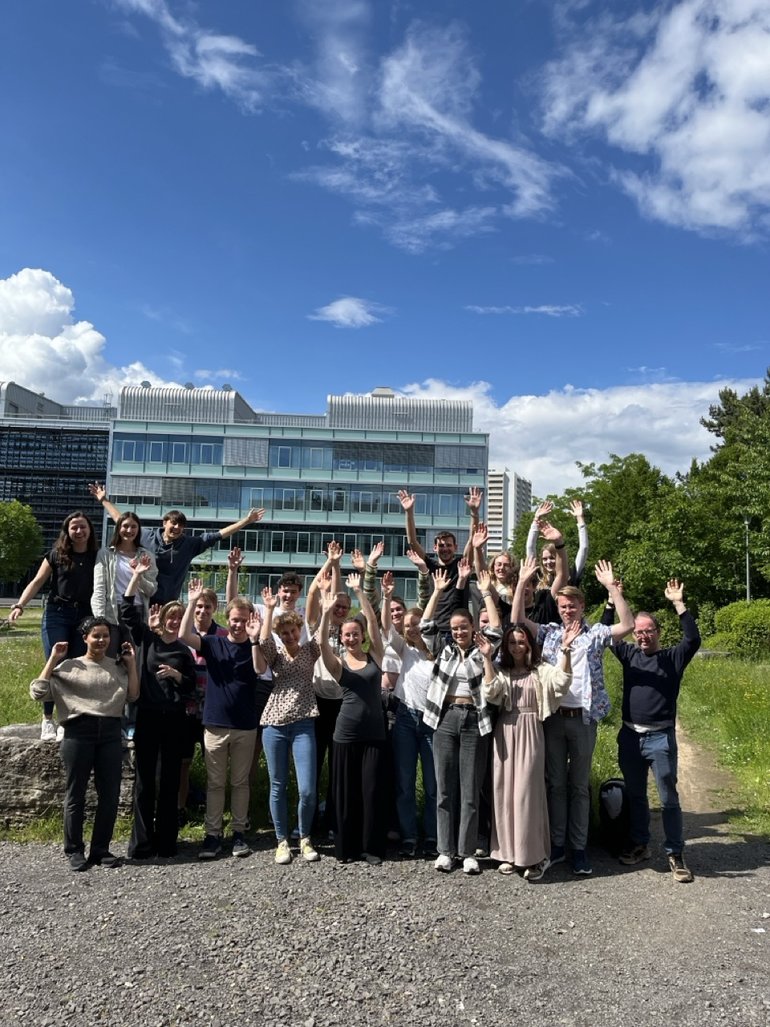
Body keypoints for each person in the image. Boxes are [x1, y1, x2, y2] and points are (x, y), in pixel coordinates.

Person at [512, 556, 633, 876]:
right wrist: (522, 582)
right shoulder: (550, 633)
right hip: (553, 717)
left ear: (582, 607)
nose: (567, 611)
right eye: (563, 606)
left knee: (579, 786)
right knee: (555, 784)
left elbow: (628, 626)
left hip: (583, 718)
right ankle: (557, 846)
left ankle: (579, 849)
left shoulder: (596, 635)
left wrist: (612, 589)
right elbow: (518, 620)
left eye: (572, 606)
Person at [29, 618, 139, 870]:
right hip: (78, 732)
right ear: (85, 638)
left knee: (110, 794)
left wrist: (132, 665)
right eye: (96, 636)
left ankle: (100, 849)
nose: (101, 640)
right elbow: (38, 692)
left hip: (110, 732)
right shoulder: (70, 666)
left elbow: (133, 695)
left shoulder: (117, 667)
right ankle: (74, 850)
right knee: (75, 793)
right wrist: (53, 659)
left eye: (105, 636)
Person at [613, 580, 700, 883]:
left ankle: (675, 852)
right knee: (636, 795)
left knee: (668, 798)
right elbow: (605, 635)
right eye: (638, 631)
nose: (643, 636)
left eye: (648, 630)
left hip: (660, 737)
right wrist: (612, 598)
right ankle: (640, 844)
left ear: (658, 632)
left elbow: (693, 639)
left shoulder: (672, 658)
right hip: (630, 736)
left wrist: (678, 603)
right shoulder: (628, 655)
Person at [479, 620, 579, 880]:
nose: (516, 647)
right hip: (505, 731)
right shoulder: (501, 670)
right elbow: (490, 692)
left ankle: (531, 854)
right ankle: (506, 853)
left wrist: (566, 651)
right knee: (504, 792)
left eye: (521, 642)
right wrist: (487, 659)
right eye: (512, 642)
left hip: (531, 730)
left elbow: (561, 682)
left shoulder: (540, 669)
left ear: (529, 644)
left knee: (527, 793)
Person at [421, 566, 502, 875]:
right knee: (444, 789)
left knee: (470, 790)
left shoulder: (484, 649)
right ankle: (445, 851)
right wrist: (437, 591)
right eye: (455, 629)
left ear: (472, 627)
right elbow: (426, 624)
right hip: (445, 719)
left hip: (474, 721)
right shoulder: (443, 650)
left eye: (463, 627)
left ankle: (467, 852)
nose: (459, 632)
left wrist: (485, 593)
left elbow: (497, 628)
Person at [180, 582, 267, 860]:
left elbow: (260, 669)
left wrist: (255, 639)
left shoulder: (255, 647)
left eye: (243, 620)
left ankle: (239, 832)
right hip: (215, 724)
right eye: (234, 620)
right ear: (226, 619)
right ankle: (213, 835)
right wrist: (191, 602)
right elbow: (183, 635)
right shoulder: (213, 643)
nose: (238, 625)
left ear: (251, 621)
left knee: (240, 783)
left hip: (245, 725)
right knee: (215, 783)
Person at [121, 557, 197, 860]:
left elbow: (191, 686)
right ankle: (141, 844)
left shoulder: (184, 651)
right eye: (171, 617)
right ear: (162, 618)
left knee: (169, 781)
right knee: (144, 782)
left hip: (174, 719)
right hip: (149, 716)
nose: (174, 621)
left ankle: (166, 842)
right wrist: (136, 577)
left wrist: (177, 676)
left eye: (179, 618)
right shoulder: (147, 641)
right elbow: (127, 610)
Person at [89, 483, 266, 606]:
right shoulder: (147, 536)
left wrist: (246, 521)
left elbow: (219, 534)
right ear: (164, 523)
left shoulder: (189, 544)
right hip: (143, 600)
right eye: (173, 523)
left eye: (181, 525)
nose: (177, 527)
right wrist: (103, 499)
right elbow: (121, 521)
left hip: (169, 603)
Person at [11, 511, 98, 739]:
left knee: (77, 667)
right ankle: (47, 719)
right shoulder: (56, 555)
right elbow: (37, 581)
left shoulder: (98, 556)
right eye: (74, 527)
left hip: (85, 616)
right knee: (56, 661)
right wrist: (20, 605)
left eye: (83, 526)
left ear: (90, 530)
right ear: (67, 531)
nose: (79, 531)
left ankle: (66, 719)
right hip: (57, 613)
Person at [318, 573, 387, 865]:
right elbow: (322, 645)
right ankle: (346, 848)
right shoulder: (338, 664)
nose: (351, 638)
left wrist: (359, 592)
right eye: (346, 635)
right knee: (346, 792)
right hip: (345, 734)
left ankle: (371, 847)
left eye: (355, 634)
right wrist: (325, 613)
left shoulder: (375, 656)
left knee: (370, 791)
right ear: (342, 638)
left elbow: (372, 621)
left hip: (374, 734)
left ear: (362, 636)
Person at [257, 587, 321, 865]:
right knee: (278, 784)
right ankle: (281, 840)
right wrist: (269, 608)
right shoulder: (276, 654)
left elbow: (321, 630)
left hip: (304, 723)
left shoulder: (310, 651)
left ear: (299, 630)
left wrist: (324, 602)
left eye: (293, 631)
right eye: (284, 633)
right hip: (274, 724)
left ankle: (305, 836)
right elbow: (263, 642)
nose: (290, 636)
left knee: (307, 788)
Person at [381, 581, 437, 858]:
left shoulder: (438, 651)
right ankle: (409, 836)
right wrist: (387, 596)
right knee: (404, 783)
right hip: (405, 718)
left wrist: (435, 592)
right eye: (407, 625)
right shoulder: (404, 650)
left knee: (433, 784)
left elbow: (429, 623)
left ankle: (433, 835)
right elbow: (385, 627)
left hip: (432, 721)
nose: (411, 628)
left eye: (416, 624)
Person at [92, 511, 157, 657]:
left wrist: (138, 575)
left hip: (136, 612)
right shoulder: (105, 554)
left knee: (133, 659)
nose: (129, 530)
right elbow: (99, 589)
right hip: (111, 611)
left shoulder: (146, 556)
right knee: (108, 658)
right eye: (125, 526)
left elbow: (151, 590)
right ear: (118, 528)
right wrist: (99, 618)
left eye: (133, 527)